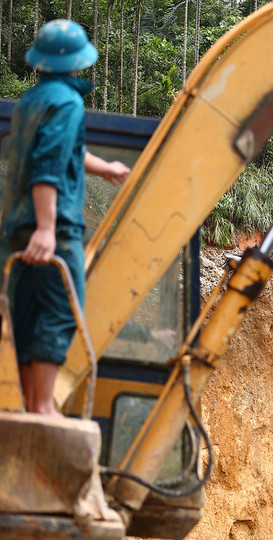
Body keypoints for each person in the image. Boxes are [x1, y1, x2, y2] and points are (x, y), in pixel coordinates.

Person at [1, 20, 131, 416]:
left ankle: (27, 404)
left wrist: (102, 166)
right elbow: (48, 165)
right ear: (78, 62)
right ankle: (42, 407)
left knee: (25, 314)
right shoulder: (69, 103)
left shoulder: (31, 102)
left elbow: (63, 151)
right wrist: (47, 228)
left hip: (17, 229)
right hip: (52, 229)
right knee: (58, 314)